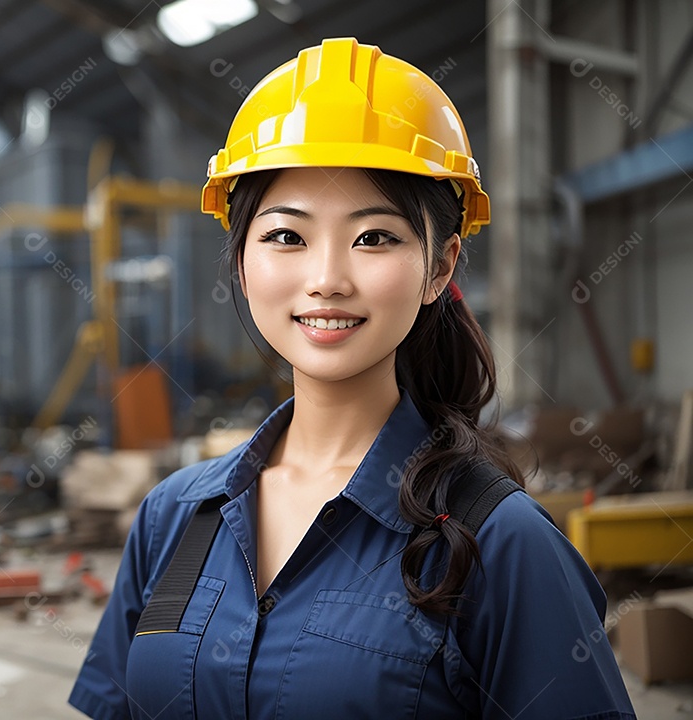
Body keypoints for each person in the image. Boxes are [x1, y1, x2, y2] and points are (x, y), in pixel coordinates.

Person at [69, 38, 636, 719]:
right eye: (286, 236)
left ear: (441, 267)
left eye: (374, 237)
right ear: (242, 263)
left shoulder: (499, 546)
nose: (327, 279)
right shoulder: (175, 518)